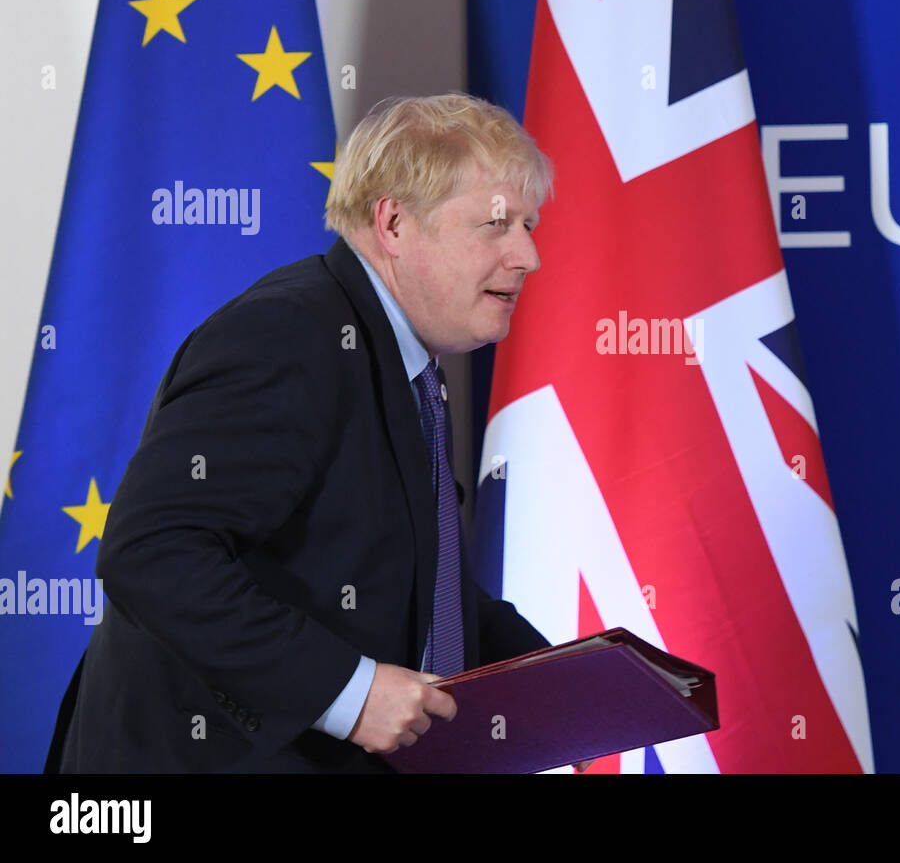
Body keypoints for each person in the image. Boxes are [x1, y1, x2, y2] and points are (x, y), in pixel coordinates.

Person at [47, 93, 562, 772]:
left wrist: (563, 686)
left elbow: (413, 592)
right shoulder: (288, 336)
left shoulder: (411, 366)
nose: (528, 255)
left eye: (528, 224)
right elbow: (153, 552)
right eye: (497, 225)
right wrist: (351, 693)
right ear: (395, 224)